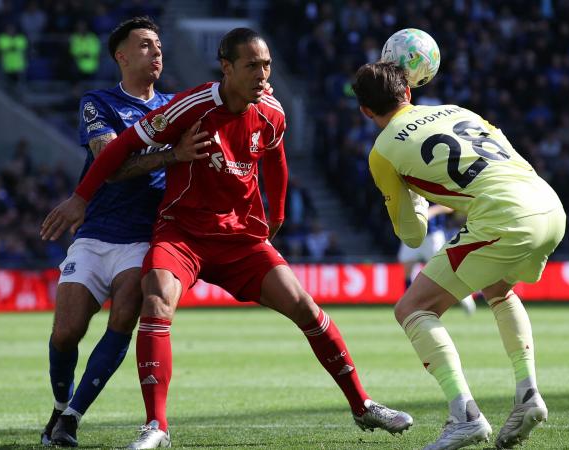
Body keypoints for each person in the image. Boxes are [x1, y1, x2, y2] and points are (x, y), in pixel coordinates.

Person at [42, 28, 413, 450]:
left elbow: (275, 158)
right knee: (156, 299)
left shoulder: (273, 110)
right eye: (252, 65)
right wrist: (80, 197)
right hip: (181, 232)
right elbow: (120, 147)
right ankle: (156, 426)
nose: (262, 74)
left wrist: (277, 213)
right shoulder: (191, 106)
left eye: (267, 65)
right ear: (228, 67)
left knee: (306, 307)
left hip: (239, 237)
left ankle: (362, 405)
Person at [352, 62, 565, 450]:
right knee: (499, 289)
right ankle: (528, 393)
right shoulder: (458, 110)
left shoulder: (383, 151)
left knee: (412, 309)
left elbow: (413, 236)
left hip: (504, 217)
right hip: (548, 204)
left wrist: (414, 196)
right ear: (409, 93)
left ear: (366, 111)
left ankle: (465, 415)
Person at [40, 17, 210, 447]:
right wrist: (172, 155)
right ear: (122, 55)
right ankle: (60, 408)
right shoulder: (98, 102)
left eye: (158, 46)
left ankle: (72, 420)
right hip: (96, 234)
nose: (157, 53)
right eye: (146, 45)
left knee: (123, 317)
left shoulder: (173, 107)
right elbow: (111, 166)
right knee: (66, 334)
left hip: (145, 237)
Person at [397, 204, 476, 315]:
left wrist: (429, 212)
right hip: (412, 233)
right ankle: (409, 305)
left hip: (432, 236)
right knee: (407, 267)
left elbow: (449, 207)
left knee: (445, 272)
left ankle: (465, 298)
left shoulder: (432, 188)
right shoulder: (409, 188)